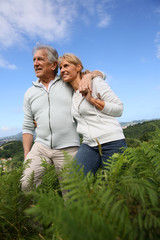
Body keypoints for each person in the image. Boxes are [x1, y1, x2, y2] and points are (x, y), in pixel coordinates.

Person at [21, 44, 103, 191]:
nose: (35, 63)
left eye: (40, 59)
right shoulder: (29, 93)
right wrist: (27, 156)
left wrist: (89, 76)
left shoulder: (68, 82)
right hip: (40, 147)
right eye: (34, 60)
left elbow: (100, 74)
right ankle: (35, 214)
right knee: (27, 185)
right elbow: (27, 126)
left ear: (53, 65)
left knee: (72, 193)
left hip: (69, 148)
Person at [58, 53, 127, 176]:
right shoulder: (72, 95)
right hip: (89, 144)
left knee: (115, 186)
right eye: (60, 68)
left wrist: (92, 100)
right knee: (74, 181)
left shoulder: (95, 83)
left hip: (112, 141)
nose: (62, 70)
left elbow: (119, 109)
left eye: (66, 66)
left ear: (78, 67)